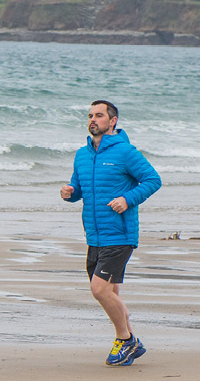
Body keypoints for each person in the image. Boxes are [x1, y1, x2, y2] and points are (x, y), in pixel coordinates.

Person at [60, 100, 162, 366]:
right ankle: (130, 342)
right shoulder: (82, 154)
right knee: (110, 293)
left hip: (120, 234)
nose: (93, 119)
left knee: (99, 289)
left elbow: (153, 180)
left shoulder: (126, 152)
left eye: (99, 115)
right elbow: (79, 188)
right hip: (94, 235)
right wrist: (70, 194)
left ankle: (125, 338)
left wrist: (127, 200)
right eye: (90, 115)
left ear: (113, 120)